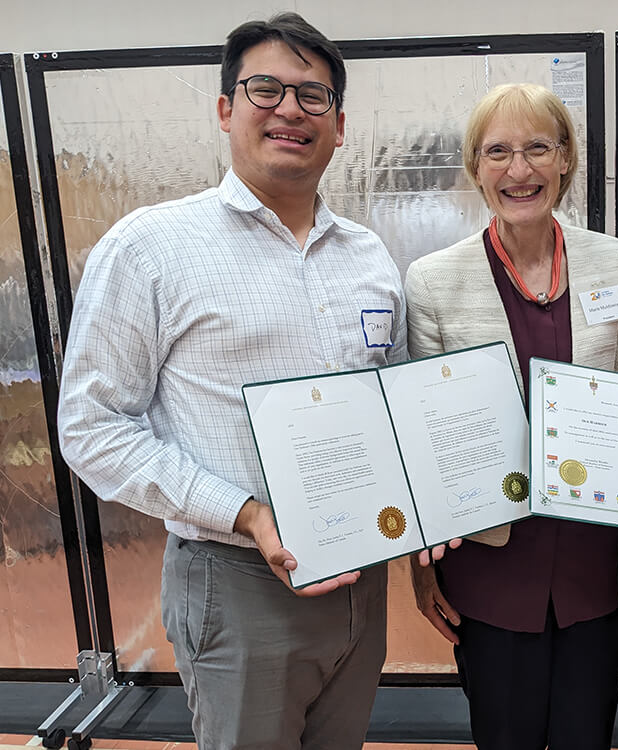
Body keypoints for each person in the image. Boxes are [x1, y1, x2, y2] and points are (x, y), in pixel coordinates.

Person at [57, 13, 406, 750]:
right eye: (266, 88)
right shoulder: (152, 248)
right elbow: (91, 428)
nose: (289, 109)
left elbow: (390, 402)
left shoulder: (370, 256)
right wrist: (247, 513)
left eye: (313, 96)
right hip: (238, 584)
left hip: (361, 577)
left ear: (339, 125)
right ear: (225, 109)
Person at [405, 83, 618, 750]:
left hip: (595, 562)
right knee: (505, 735)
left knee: (584, 736)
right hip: (488, 570)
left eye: (538, 148)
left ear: (566, 158)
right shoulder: (434, 281)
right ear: (475, 168)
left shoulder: (613, 260)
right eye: (498, 152)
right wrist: (420, 566)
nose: (519, 170)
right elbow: (423, 438)